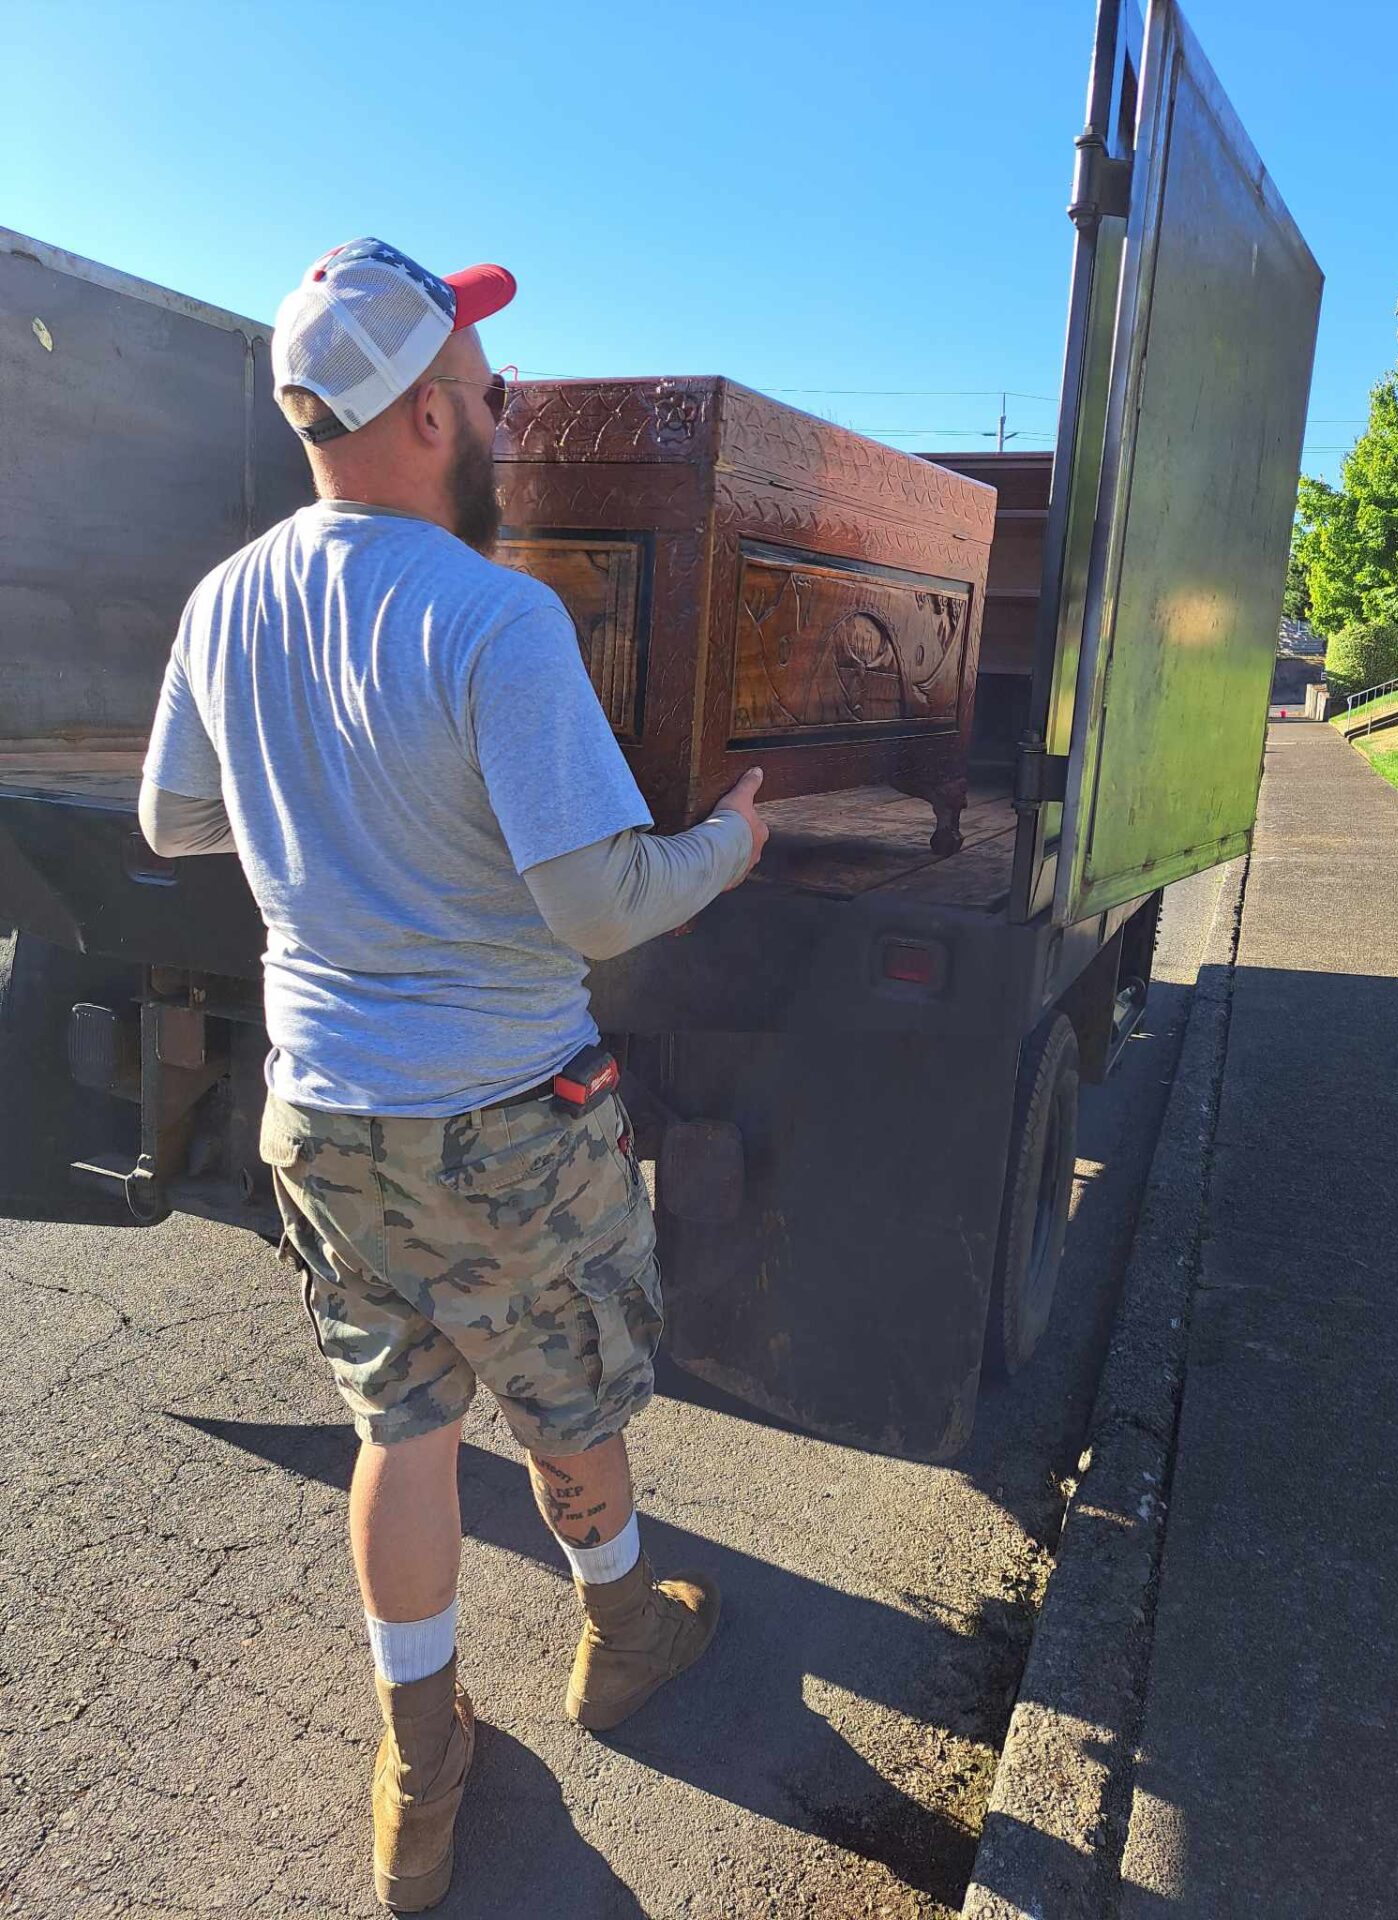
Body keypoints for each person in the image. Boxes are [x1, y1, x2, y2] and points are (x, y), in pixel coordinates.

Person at [139, 237, 767, 1913]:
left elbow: (171, 819)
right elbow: (599, 901)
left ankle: (421, 1769)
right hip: (506, 1118)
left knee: (400, 1428)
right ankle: (623, 1640)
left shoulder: (226, 598)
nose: (506, 410)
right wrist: (728, 843)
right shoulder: (497, 616)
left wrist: (318, 824)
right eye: (488, 391)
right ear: (427, 412)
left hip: (321, 1113)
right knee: (568, 1398)